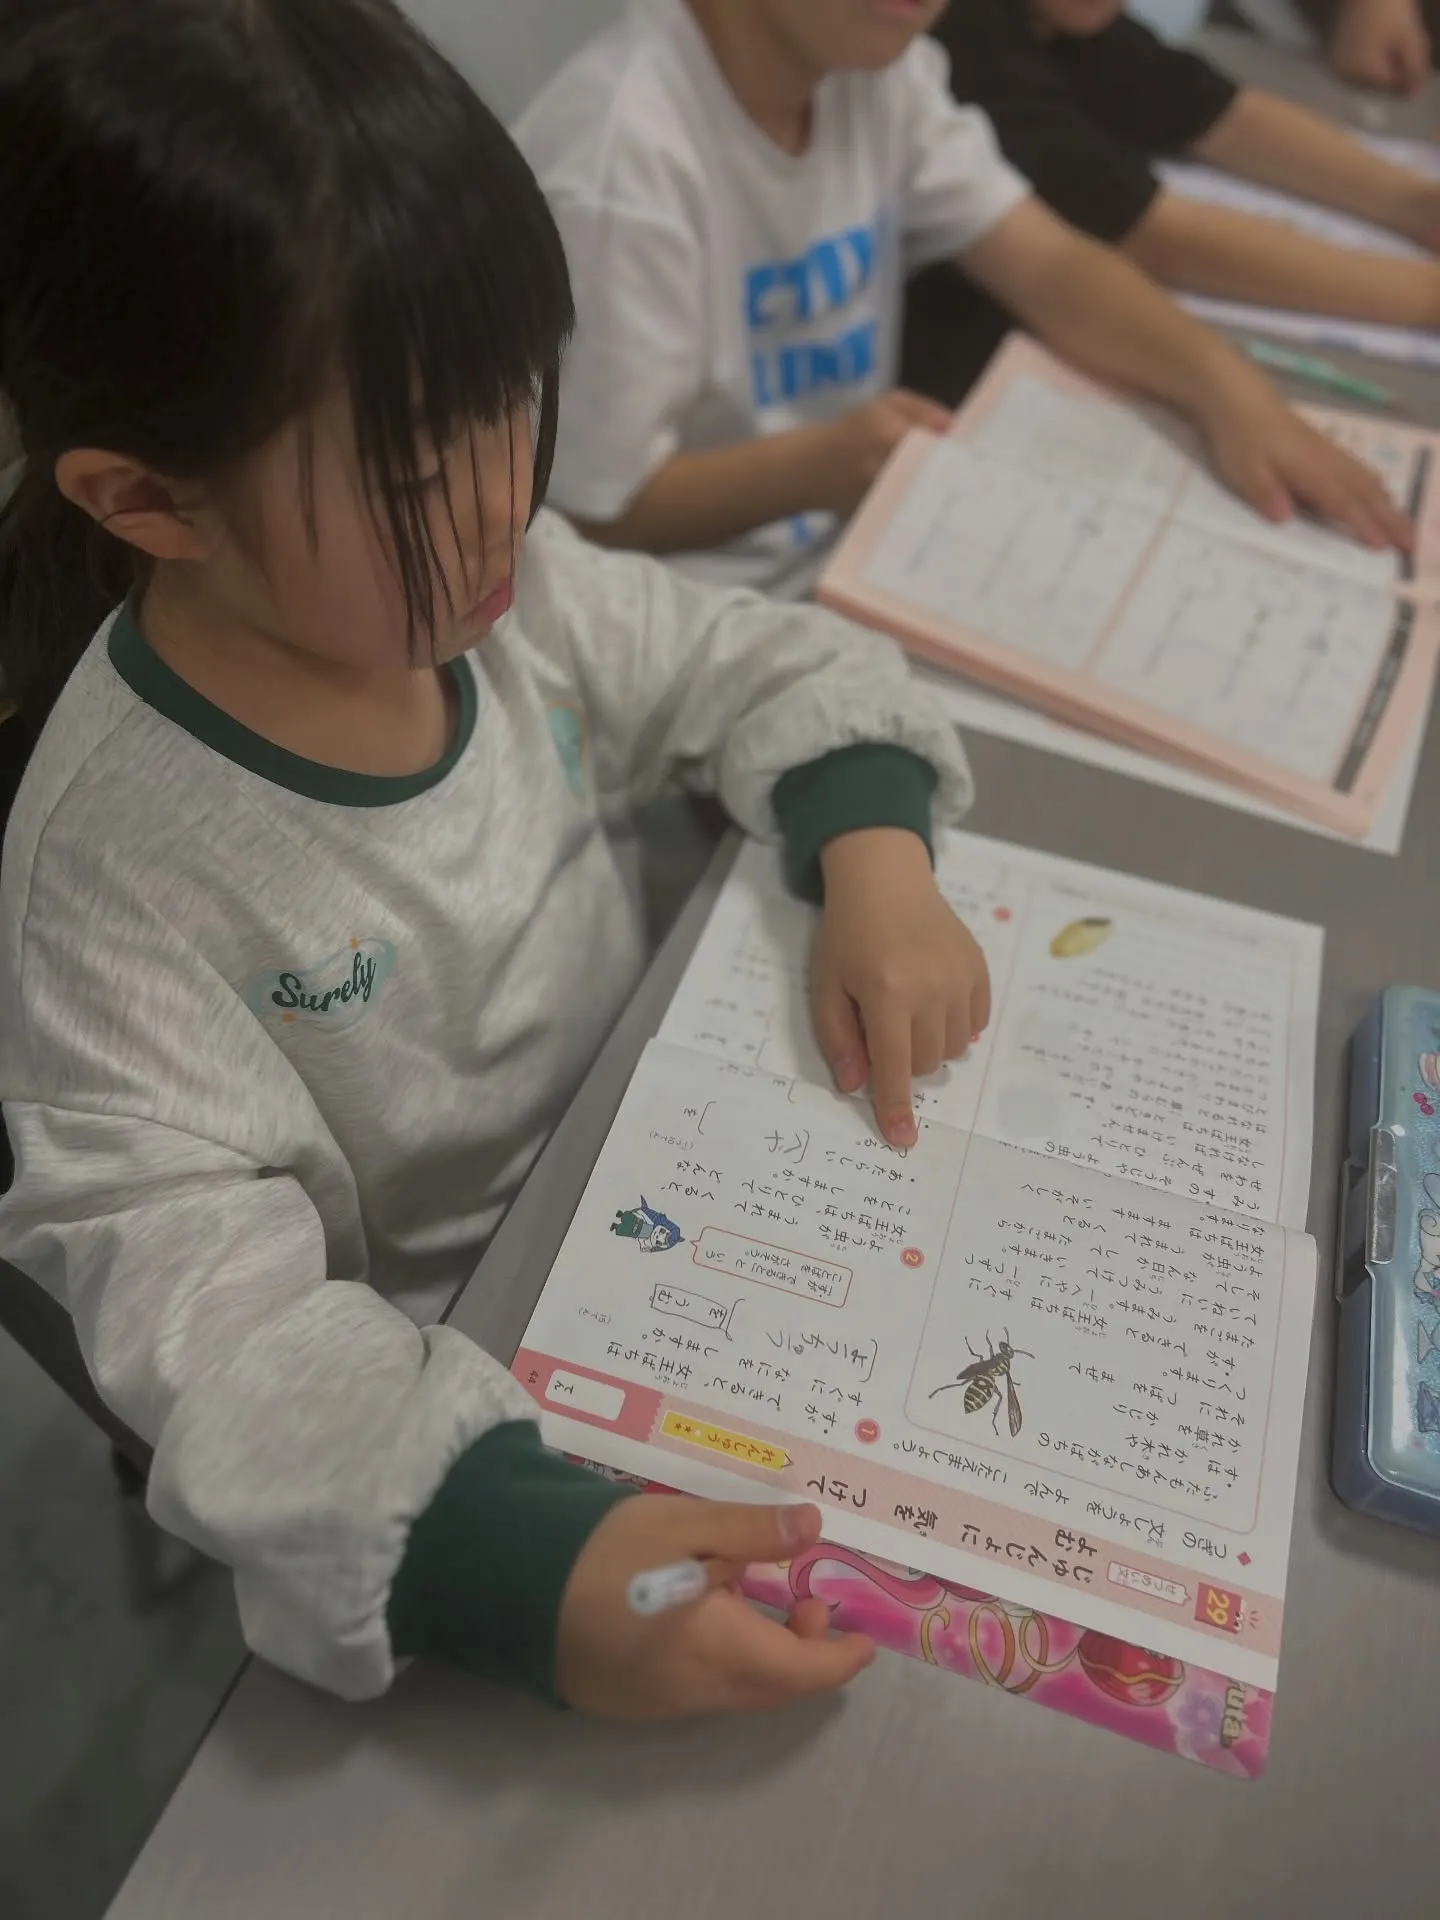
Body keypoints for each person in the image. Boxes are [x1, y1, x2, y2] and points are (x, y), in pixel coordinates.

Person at [0, 0, 1006, 1716]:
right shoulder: (111, 879)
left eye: (515, 402)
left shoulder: (496, 587)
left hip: (686, 1170)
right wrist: (503, 1560)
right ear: (149, 503)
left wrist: (876, 853)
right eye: (414, 465)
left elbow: (741, 658)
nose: (506, 500)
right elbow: (214, 1331)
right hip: (469, 1361)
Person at [514, 0, 1408, 599]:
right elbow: (594, 511)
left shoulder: (876, 65)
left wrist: (1228, 390)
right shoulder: (620, 167)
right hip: (712, 621)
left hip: (861, 558)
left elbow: (1048, 260)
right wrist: (818, 468)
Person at [904, 0, 1440, 404]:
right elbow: (1156, 237)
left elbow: (1226, 118)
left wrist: (1411, 201)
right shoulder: (964, 39)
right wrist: (1424, 295)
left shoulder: (1070, 19)